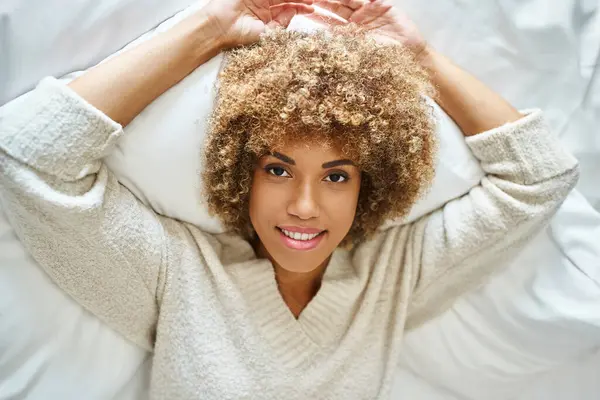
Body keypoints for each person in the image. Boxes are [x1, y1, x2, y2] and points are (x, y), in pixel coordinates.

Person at [0, 0, 580, 398]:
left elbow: (540, 178)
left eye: (335, 176)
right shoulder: (178, 273)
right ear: (241, 171)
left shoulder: (395, 278)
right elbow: (27, 155)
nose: (304, 206)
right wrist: (211, 27)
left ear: (370, 184)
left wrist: (418, 59)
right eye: (278, 169)